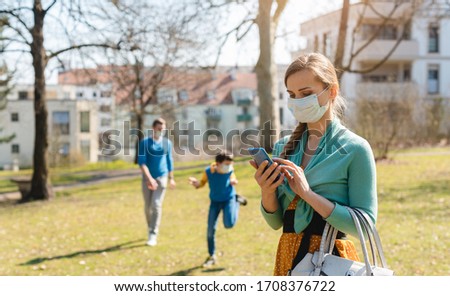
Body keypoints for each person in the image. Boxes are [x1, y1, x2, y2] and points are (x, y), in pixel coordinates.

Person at [250, 52, 377, 276]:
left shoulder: (356, 149)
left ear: (332, 91)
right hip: (287, 258)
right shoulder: (282, 148)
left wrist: (307, 193)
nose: (298, 101)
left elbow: (365, 226)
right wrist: (267, 190)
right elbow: (276, 223)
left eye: (306, 93)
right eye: (292, 94)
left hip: (332, 263)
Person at [189, 151, 247, 267]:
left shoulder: (229, 170)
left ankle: (236, 201)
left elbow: (233, 177)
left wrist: (233, 180)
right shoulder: (208, 171)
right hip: (215, 202)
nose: (228, 166)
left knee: (229, 224)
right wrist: (197, 184)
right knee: (210, 230)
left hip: (228, 199)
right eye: (226, 164)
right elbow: (202, 183)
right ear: (218, 163)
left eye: (230, 164)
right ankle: (212, 256)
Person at [138, 118, 176, 246]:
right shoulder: (144, 143)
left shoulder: (167, 143)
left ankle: (153, 233)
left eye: (163, 129)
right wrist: (149, 178)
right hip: (147, 178)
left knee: (156, 204)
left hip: (162, 177)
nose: (161, 131)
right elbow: (142, 162)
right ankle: (150, 227)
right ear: (153, 128)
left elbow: (169, 161)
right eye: (159, 129)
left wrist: (171, 178)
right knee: (148, 207)